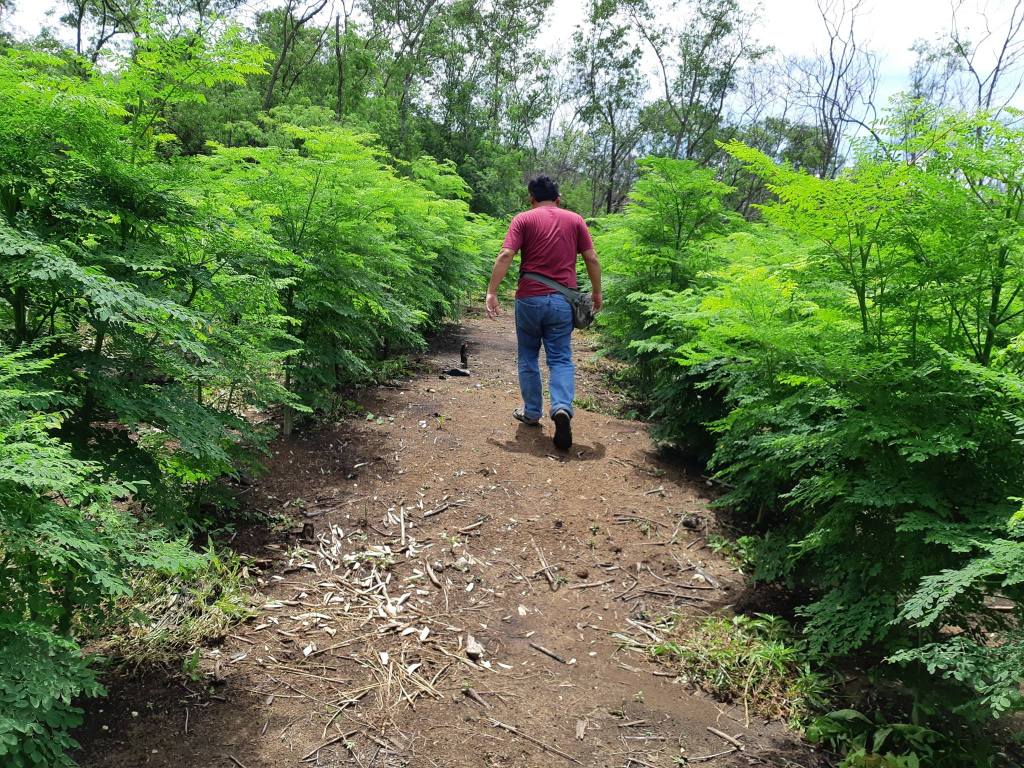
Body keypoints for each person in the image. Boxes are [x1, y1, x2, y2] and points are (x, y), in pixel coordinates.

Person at [484, 176, 602, 451]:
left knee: (528, 356)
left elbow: (505, 256)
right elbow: (592, 258)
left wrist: (491, 291)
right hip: (562, 302)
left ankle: (532, 412)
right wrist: (596, 292)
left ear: (531, 198)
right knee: (560, 358)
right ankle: (561, 407)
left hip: (529, 299)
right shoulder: (575, 220)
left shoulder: (523, 219)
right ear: (558, 198)